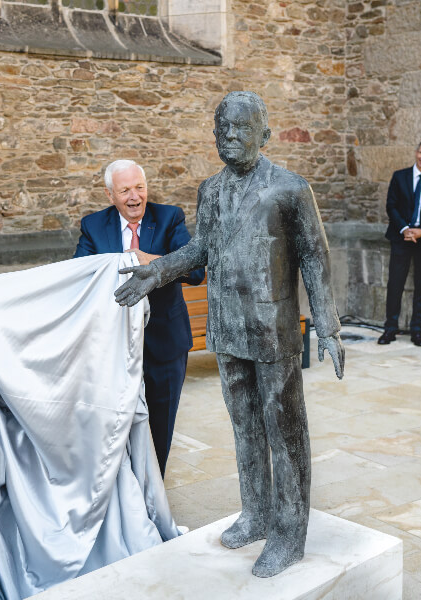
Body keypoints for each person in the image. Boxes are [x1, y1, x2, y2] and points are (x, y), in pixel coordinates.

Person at [114, 91, 344, 578]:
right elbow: (201, 248)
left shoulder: (290, 189)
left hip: (273, 330)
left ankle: (289, 533)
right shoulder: (211, 190)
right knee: (244, 429)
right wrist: (156, 273)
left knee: (285, 434)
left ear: (264, 132)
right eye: (222, 130)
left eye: (240, 129)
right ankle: (257, 513)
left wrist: (326, 324)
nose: (230, 137)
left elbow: (314, 258)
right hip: (227, 327)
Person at [73, 160, 204, 476]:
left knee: (160, 424)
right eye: (125, 190)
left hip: (165, 343)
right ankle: (122, 490)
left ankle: (153, 489)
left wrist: (154, 262)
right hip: (111, 346)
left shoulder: (170, 218)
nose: (134, 197)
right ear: (110, 194)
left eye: (139, 187)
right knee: (114, 422)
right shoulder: (92, 225)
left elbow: (196, 270)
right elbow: (77, 274)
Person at [377, 141, 421, 347]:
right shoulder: (400, 177)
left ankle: (417, 331)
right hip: (401, 238)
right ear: (416, 153)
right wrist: (405, 229)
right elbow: (391, 206)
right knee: (395, 284)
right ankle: (390, 328)